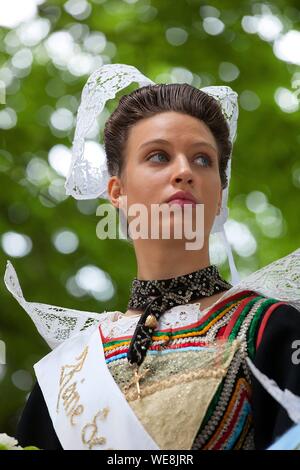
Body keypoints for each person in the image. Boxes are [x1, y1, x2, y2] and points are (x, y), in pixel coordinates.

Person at [5, 64, 300, 450]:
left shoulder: (271, 330)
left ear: (219, 193)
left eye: (202, 160)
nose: (184, 171)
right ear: (117, 190)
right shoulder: (68, 373)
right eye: (159, 156)